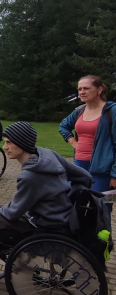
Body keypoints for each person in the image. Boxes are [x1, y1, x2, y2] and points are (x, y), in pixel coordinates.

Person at [0, 121, 92, 284]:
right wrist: (72, 196)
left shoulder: (30, 176)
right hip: (61, 220)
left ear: (21, 143)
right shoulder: (48, 154)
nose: (5, 147)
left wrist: (0, 212)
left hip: (47, 227)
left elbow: (13, 212)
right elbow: (85, 177)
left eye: (9, 142)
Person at [60, 75, 116, 203]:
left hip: (102, 169)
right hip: (79, 166)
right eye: (79, 89)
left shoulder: (111, 111)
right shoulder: (80, 110)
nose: (81, 92)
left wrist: (115, 175)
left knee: (100, 207)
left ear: (99, 89)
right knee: (73, 204)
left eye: (86, 88)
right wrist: (73, 142)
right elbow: (63, 126)